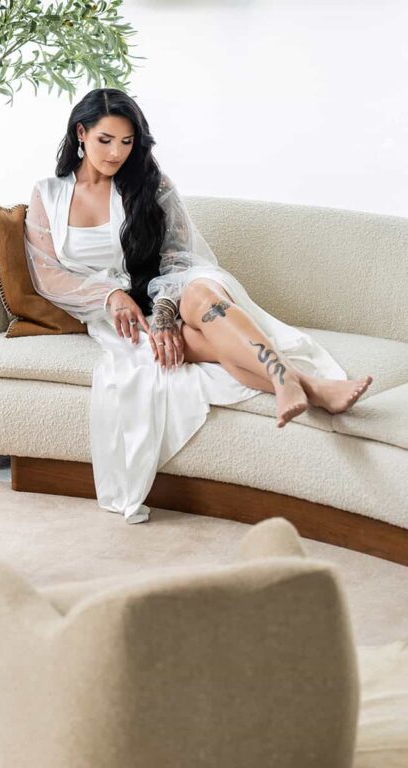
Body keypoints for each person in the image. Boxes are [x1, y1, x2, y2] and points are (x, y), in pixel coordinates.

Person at [23, 89, 373, 524]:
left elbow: (180, 257)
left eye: (127, 142)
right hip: (121, 314)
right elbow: (49, 275)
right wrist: (111, 296)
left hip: (173, 289)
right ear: (81, 133)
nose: (117, 153)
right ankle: (307, 385)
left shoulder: (150, 184)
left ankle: (286, 380)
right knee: (197, 342)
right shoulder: (49, 195)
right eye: (106, 140)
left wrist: (166, 309)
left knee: (202, 296)